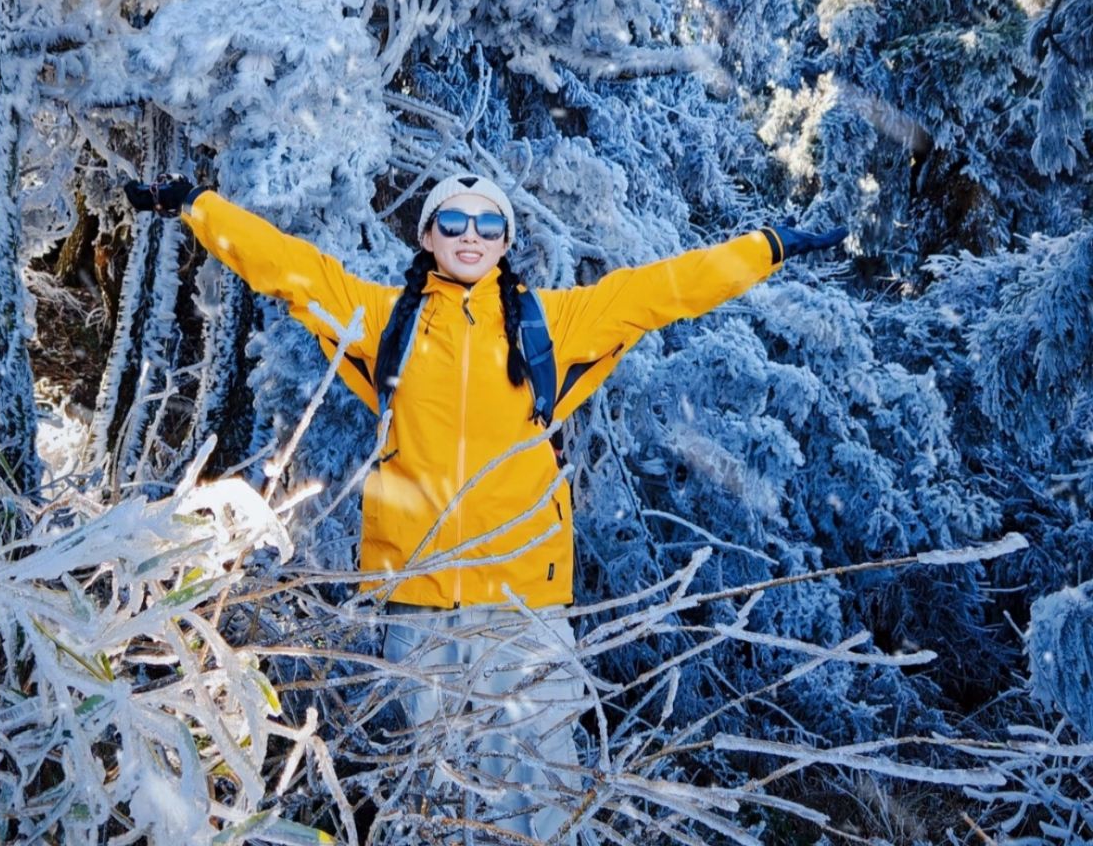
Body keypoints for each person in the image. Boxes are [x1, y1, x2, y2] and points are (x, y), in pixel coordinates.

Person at [126, 172, 844, 842]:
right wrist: (198, 207)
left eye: (487, 224)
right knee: (427, 785)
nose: (470, 235)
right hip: (418, 593)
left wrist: (766, 247)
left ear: (505, 241)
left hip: (523, 598)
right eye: (453, 221)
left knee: (540, 785)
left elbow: (669, 287)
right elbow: (289, 268)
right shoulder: (385, 319)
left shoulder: (554, 322)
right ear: (427, 236)